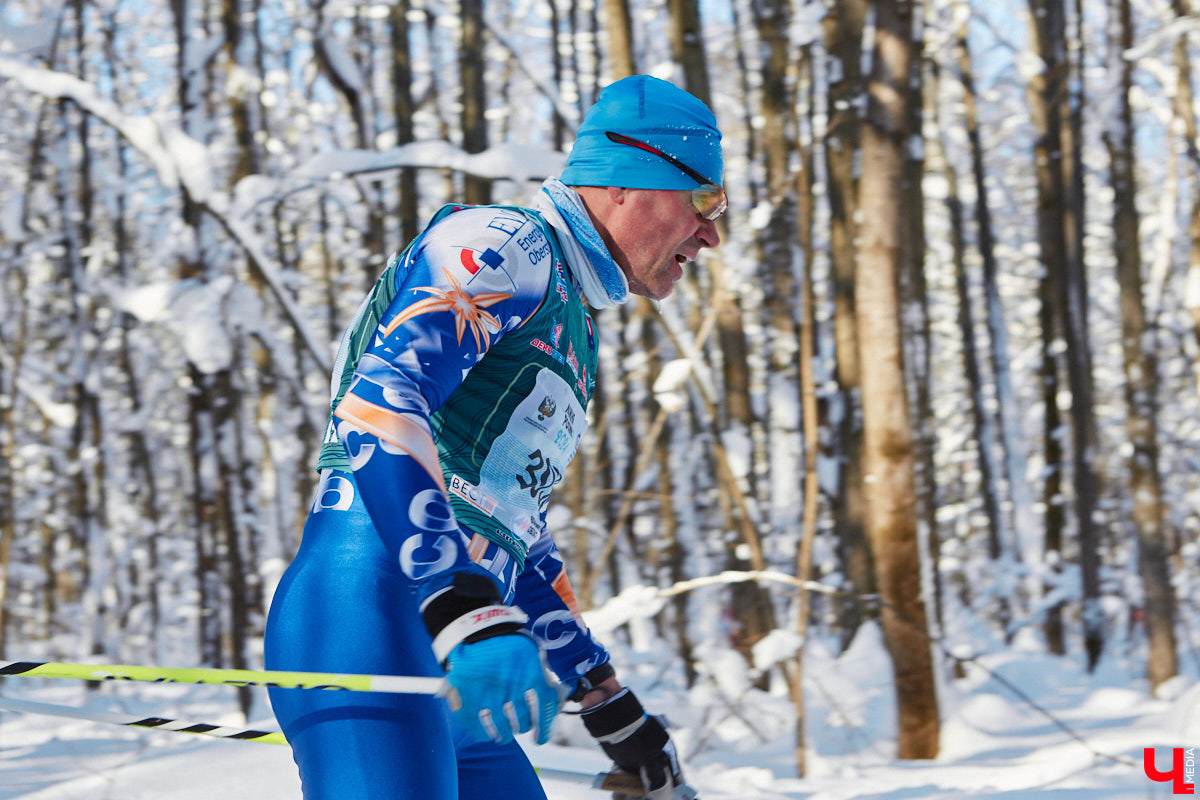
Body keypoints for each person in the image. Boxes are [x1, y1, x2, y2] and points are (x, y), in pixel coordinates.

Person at [263, 74, 726, 800]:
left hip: (460, 652)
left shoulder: (571, 323)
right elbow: (380, 400)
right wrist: (460, 601)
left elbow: (513, 533)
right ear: (630, 180)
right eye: (705, 198)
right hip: (366, 610)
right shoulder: (504, 245)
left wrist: (605, 702)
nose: (712, 232)